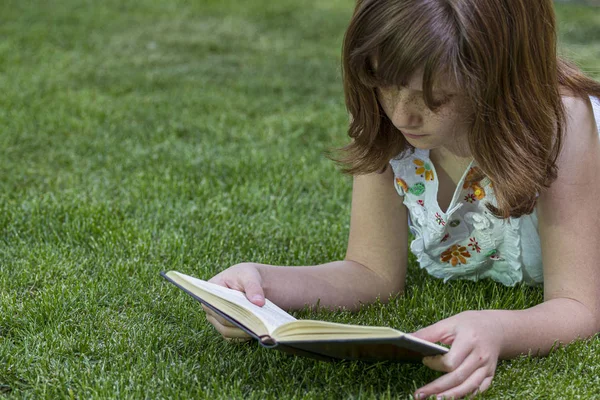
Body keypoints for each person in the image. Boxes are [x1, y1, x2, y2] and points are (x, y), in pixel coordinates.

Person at [203, 0, 600, 398]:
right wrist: (261, 285)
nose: (401, 115)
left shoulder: (561, 125)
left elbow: (578, 307)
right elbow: (370, 271)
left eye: (435, 98)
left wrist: (498, 329)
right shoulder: (390, 127)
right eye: (385, 85)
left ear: (500, 78)